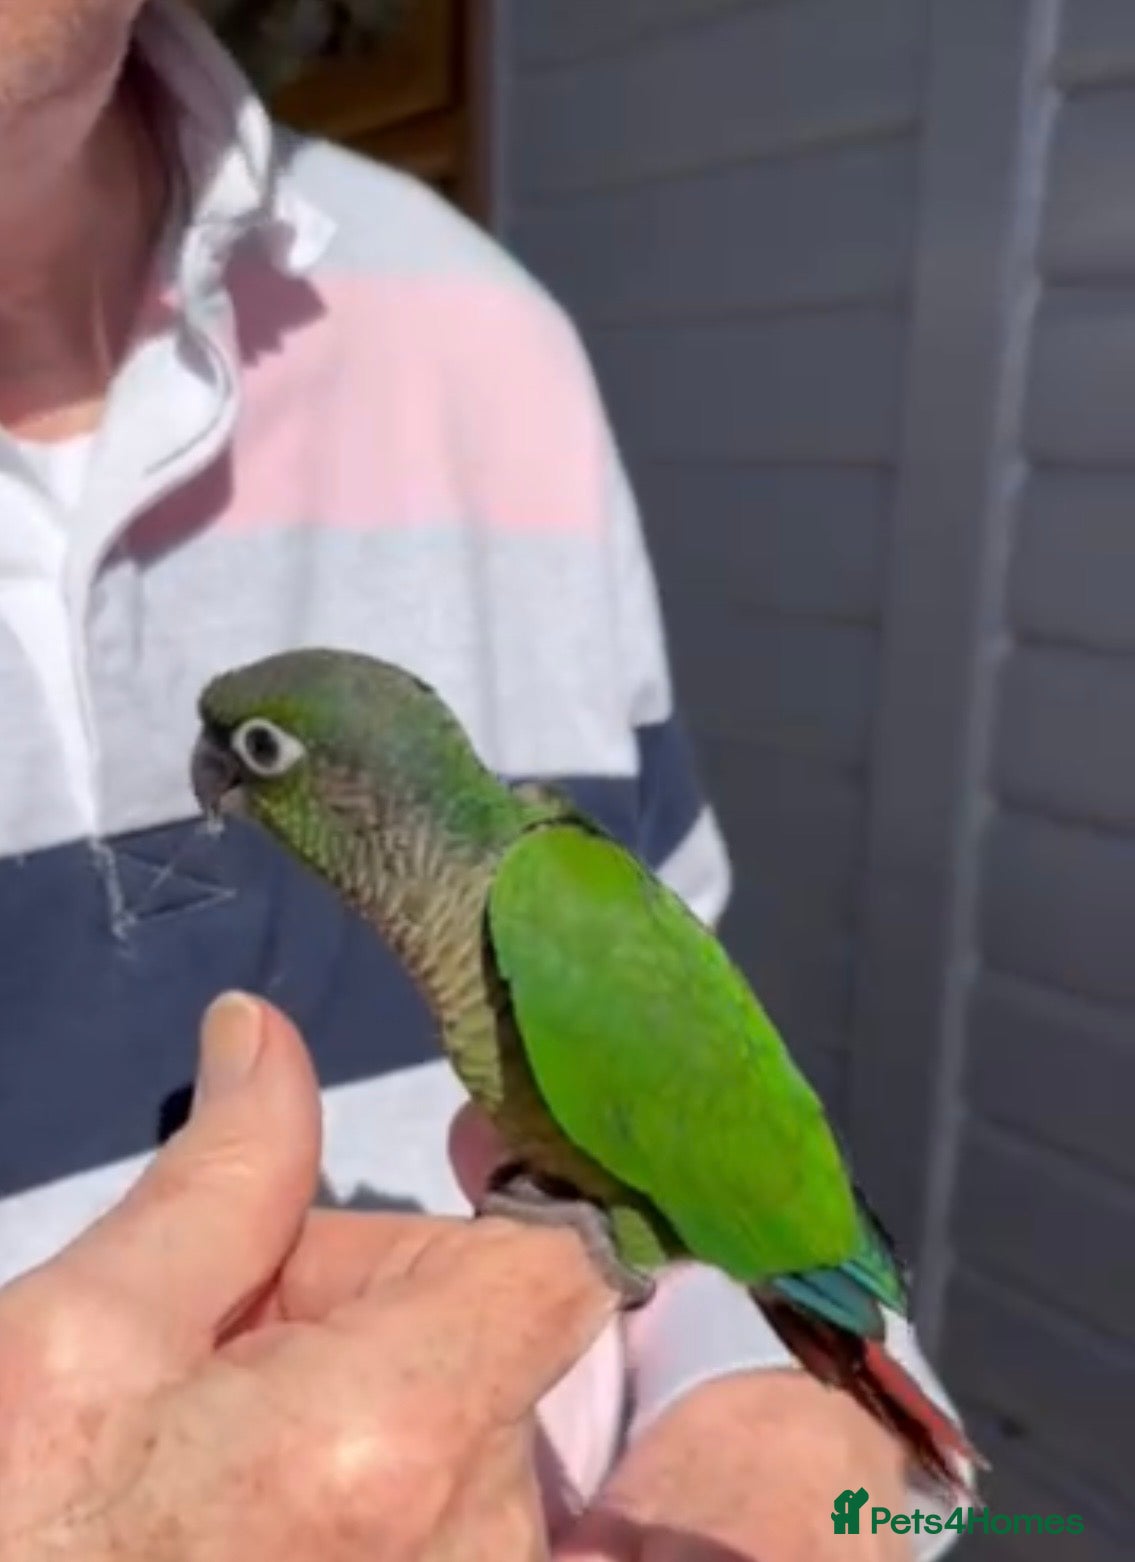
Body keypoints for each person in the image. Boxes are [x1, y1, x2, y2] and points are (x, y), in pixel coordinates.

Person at [0, 1, 966, 1556]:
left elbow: (723, 1140)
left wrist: (779, 1458)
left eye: (258, 758)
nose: (219, 788)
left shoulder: (485, 337)